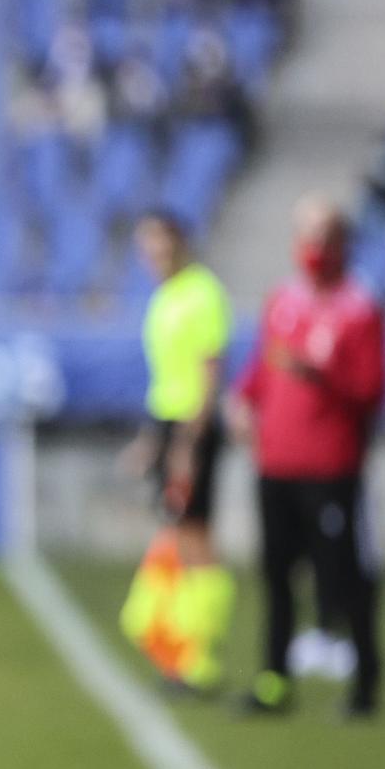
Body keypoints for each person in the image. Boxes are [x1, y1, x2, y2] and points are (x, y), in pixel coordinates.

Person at [231, 195, 385, 718]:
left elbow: (371, 389)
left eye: (323, 236)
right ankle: (274, 680)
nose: (313, 247)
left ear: (343, 243)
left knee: (344, 575)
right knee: (277, 576)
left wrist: (318, 373)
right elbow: (262, 367)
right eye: (306, 236)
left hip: (332, 468)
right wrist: (243, 400)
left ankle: (364, 684)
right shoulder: (284, 300)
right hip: (276, 464)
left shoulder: (359, 308)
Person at [118, 209, 236, 692]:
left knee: (195, 538)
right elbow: (167, 377)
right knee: (178, 533)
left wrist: (188, 442)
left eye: (160, 245)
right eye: (146, 247)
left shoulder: (202, 292)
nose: (153, 256)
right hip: (171, 425)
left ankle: (198, 655)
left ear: (179, 242)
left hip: (193, 427)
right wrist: (152, 440)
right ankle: (180, 650)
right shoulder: (164, 297)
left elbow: (209, 374)